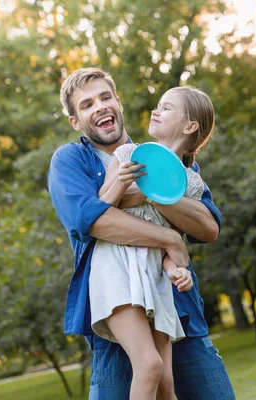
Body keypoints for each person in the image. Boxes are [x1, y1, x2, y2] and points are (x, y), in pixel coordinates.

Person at [47, 67, 235, 399]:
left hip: (176, 308)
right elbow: (90, 221)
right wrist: (170, 238)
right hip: (117, 310)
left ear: (118, 103)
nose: (100, 106)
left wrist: (150, 190)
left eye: (106, 97)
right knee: (147, 372)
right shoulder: (71, 160)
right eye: (87, 104)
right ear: (76, 121)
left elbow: (208, 226)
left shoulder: (165, 161)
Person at [88, 86, 215, 399]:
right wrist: (122, 183)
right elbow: (99, 210)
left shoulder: (190, 183)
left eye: (166, 107)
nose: (156, 111)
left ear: (190, 126)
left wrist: (177, 270)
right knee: (149, 366)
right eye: (158, 106)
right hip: (118, 266)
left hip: (155, 275)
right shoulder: (129, 155)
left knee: (166, 382)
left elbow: (173, 241)